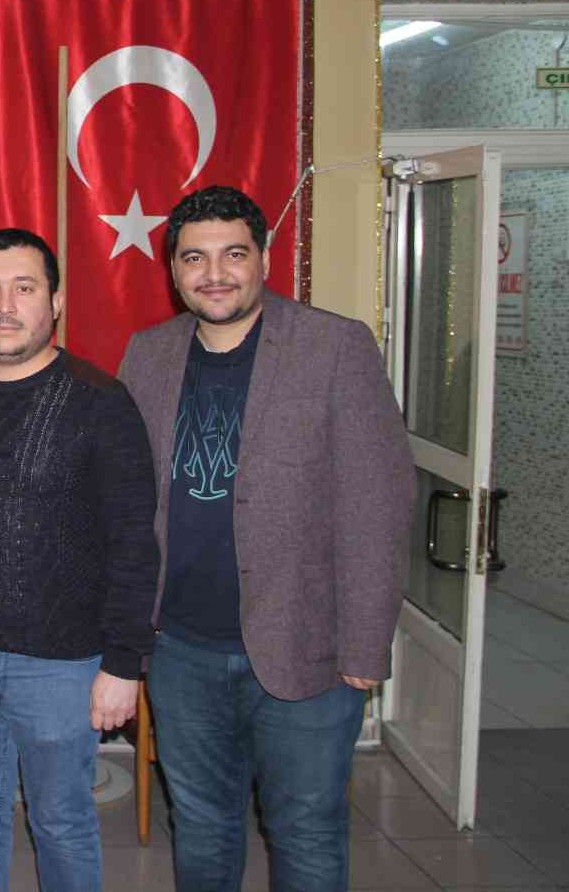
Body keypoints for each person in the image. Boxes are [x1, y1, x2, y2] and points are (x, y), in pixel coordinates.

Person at [116, 186, 415, 892]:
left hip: (307, 651)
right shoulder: (148, 354)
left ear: (265, 259)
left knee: (305, 829)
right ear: (173, 270)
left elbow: (378, 502)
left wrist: (365, 646)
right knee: (200, 824)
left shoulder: (334, 346)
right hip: (181, 649)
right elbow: (126, 501)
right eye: (194, 258)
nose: (214, 274)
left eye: (233, 254)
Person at [0, 228, 159, 892]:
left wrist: (123, 663)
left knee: (62, 822)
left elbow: (134, 542)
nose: (4, 306)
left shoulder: (101, 402)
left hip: (63, 665)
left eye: (23, 288)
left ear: (56, 302)